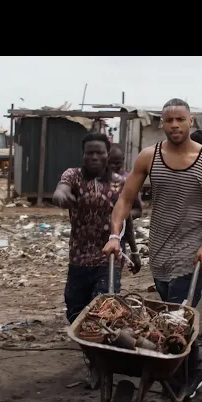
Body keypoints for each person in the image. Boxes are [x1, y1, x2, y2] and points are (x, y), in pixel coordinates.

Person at [102, 98, 202, 401]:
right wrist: (114, 235)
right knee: (174, 316)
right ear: (162, 123)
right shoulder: (149, 157)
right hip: (160, 249)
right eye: (169, 120)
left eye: (180, 119)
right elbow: (124, 200)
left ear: (191, 122)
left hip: (192, 251)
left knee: (177, 315)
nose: (175, 125)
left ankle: (180, 379)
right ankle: (189, 372)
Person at [53, 132, 141, 327]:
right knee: (74, 310)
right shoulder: (73, 176)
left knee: (104, 306)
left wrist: (134, 252)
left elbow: (129, 216)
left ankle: (100, 340)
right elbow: (61, 189)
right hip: (79, 256)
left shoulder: (120, 183)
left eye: (99, 153)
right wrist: (60, 196)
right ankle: (87, 335)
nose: (94, 157)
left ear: (107, 154)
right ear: (83, 154)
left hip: (109, 257)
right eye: (89, 153)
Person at [107, 145, 143, 220]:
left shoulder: (129, 181)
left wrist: (120, 217)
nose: (112, 166)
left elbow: (138, 211)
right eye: (109, 163)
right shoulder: (99, 179)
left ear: (123, 160)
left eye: (117, 163)